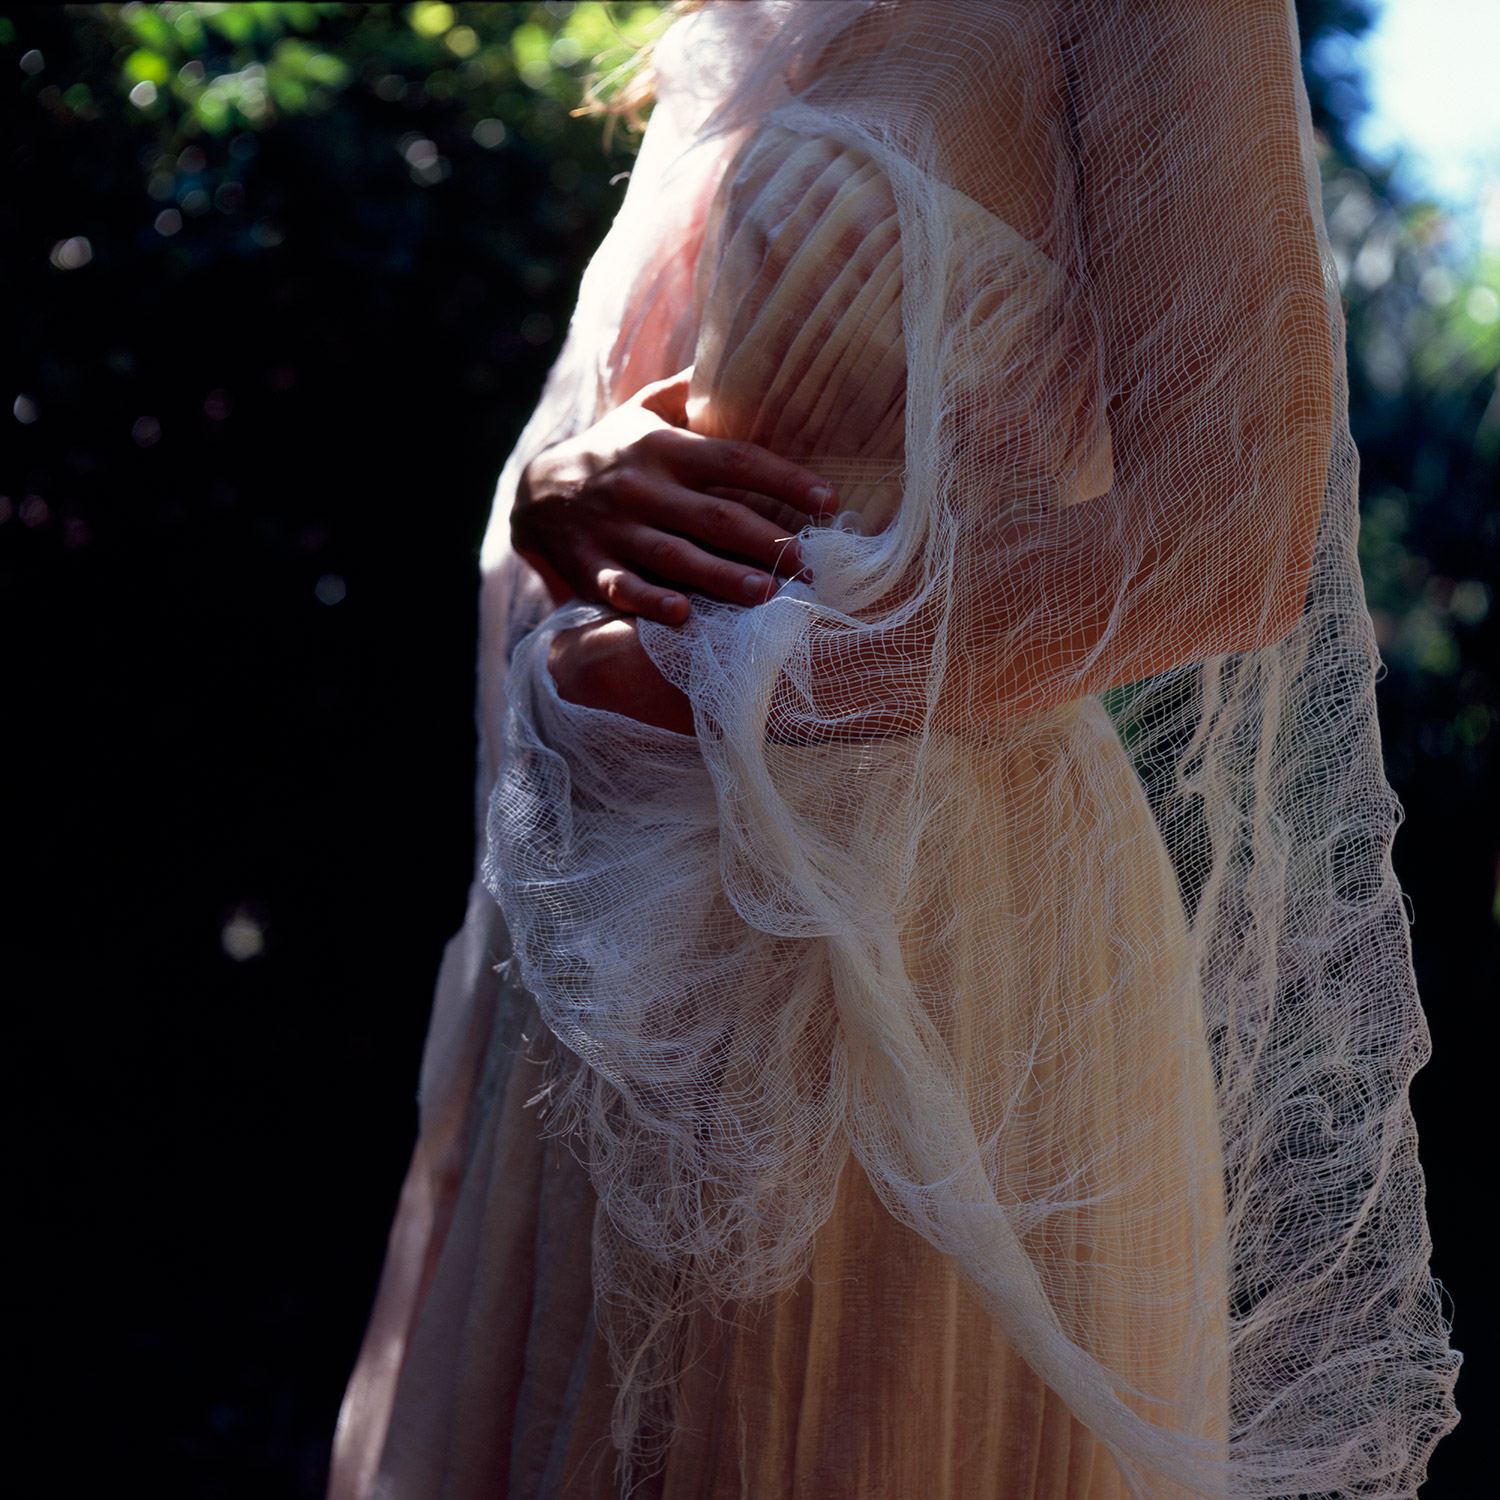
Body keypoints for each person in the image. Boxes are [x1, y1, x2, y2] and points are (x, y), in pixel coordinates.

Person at [328, 4, 1459, 1497]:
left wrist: (732, 677)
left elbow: (1225, 541)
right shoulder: (752, 18)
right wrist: (559, 488)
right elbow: (663, 443)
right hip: (608, 935)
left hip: (914, 933)